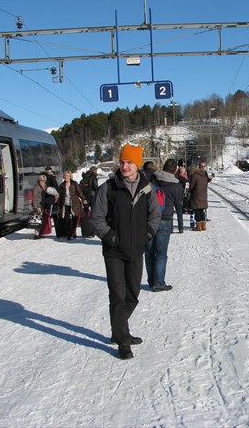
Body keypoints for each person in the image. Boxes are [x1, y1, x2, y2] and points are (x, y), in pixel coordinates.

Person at [91, 144, 161, 360]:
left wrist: (147, 234)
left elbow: (155, 214)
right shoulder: (108, 188)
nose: (125, 166)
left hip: (136, 249)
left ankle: (118, 329)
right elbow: (97, 217)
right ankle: (123, 340)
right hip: (114, 251)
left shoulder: (147, 188)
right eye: (122, 162)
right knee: (118, 296)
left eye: (129, 162)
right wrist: (110, 237)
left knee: (132, 295)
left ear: (137, 164)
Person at [145, 159, 184, 292]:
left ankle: (151, 281)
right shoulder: (176, 185)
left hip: (149, 219)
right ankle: (159, 283)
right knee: (161, 253)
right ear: (175, 170)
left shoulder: (152, 180)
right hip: (165, 219)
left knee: (149, 252)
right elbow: (179, 200)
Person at [58, 170, 87, 240]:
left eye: (67, 176)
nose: (66, 177)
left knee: (75, 218)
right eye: (65, 176)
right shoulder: (62, 185)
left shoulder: (74, 183)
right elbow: (60, 196)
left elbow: (79, 192)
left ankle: (73, 230)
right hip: (66, 204)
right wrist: (59, 205)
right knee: (67, 220)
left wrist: (83, 199)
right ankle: (69, 234)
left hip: (74, 204)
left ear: (70, 176)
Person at [189, 159, 211, 231]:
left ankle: (198, 227)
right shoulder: (205, 175)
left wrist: (189, 190)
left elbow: (191, 186)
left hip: (196, 196)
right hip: (203, 195)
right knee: (202, 211)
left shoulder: (195, 176)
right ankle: (203, 226)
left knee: (197, 211)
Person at [31, 175, 48, 239]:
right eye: (40, 180)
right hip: (38, 205)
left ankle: (40, 233)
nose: (41, 181)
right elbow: (34, 197)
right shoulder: (37, 187)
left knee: (41, 220)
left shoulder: (45, 186)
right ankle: (36, 234)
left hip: (43, 205)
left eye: (43, 180)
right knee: (37, 220)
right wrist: (35, 207)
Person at [174, 164, 188, 233]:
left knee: (172, 213)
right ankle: (181, 228)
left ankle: (171, 229)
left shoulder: (174, 176)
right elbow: (187, 183)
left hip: (173, 195)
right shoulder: (181, 178)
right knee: (179, 213)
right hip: (179, 196)